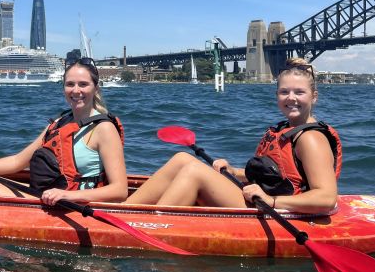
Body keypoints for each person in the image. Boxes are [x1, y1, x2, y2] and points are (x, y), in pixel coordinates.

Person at [126, 58, 341, 214]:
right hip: (262, 198)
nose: (291, 98)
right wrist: (234, 171)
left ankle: (153, 226)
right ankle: (123, 211)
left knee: (194, 171)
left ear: (314, 97)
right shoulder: (286, 128)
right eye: (284, 92)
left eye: (299, 92)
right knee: (183, 158)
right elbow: (276, 176)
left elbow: (326, 198)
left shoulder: (311, 139)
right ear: (277, 95)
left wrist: (271, 201)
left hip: (279, 209)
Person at [0, 58, 128, 207]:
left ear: (96, 88)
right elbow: (17, 162)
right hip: (44, 197)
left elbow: (120, 191)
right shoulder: (60, 123)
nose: (76, 90)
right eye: (70, 84)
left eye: (83, 84)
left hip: (70, 205)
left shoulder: (103, 129)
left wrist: (67, 195)